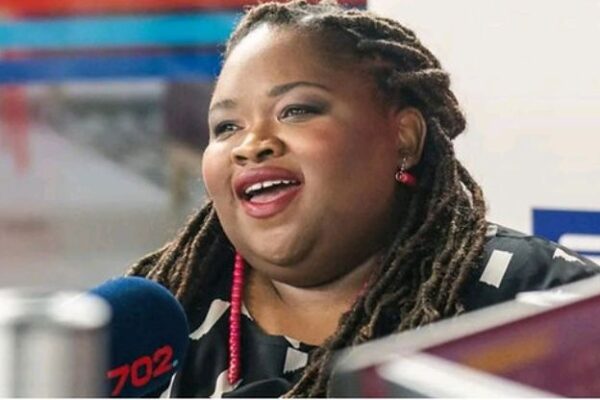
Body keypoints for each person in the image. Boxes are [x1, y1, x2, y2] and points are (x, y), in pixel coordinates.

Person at [127, 1, 599, 397]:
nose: (251, 145)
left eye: (296, 110)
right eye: (226, 126)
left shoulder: (543, 302)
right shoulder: (153, 321)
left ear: (404, 137)